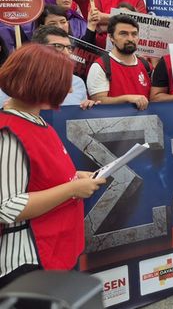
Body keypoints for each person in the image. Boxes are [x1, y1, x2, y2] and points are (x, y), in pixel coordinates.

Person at [0, 44, 106, 294]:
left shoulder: (36, 122)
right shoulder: (9, 133)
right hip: (30, 261)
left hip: (54, 249)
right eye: (62, 81)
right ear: (41, 83)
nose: (69, 89)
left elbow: (38, 178)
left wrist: (73, 178)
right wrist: (72, 188)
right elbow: (7, 206)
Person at [87, 15, 151, 110]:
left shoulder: (146, 65)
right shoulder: (100, 66)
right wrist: (127, 99)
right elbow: (98, 102)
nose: (130, 38)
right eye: (123, 34)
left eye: (134, 34)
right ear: (111, 37)